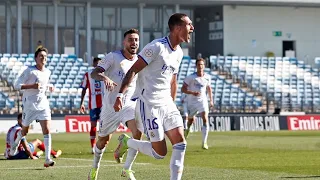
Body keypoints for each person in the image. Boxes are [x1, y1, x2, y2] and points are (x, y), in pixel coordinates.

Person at [113, 13, 194, 180]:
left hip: (167, 104)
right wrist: (120, 94)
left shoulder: (178, 52)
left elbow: (173, 80)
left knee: (180, 144)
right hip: (149, 104)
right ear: (178, 28)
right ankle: (128, 142)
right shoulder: (156, 47)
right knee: (160, 153)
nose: (192, 28)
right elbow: (133, 70)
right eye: (189, 25)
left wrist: (172, 102)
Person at [88, 28, 143, 180]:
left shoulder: (140, 61)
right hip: (110, 107)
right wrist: (105, 78)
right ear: (124, 42)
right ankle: (94, 168)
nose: (134, 43)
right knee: (102, 141)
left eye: (136, 40)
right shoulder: (113, 57)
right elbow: (94, 73)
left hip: (128, 104)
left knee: (138, 132)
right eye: (131, 40)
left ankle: (127, 168)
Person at [12, 47, 56, 167]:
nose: (43, 58)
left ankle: (47, 159)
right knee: (24, 131)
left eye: (45, 56)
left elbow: (43, 85)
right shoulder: (29, 71)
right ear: (36, 58)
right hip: (29, 106)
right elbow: (16, 85)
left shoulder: (47, 72)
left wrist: (49, 87)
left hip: (43, 105)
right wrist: (32, 85)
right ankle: (16, 143)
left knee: (47, 130)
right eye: (41, 56)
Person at [182, 58, 213, 149]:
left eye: (202, 65)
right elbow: (183, 89)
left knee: (205, 118)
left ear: (204, 66)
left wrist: (211, 100)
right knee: (190, 121)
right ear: (196, 66)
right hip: (192, 102)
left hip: (202, 101)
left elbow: (209, 89)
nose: (200, 66)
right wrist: (192, 93)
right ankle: (187, 129)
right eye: (199, 65)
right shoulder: (190, 77)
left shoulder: (207, 77)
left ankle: (204, 142)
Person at [80, 57, 104, 153]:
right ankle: (93, 147)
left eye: (100, 64)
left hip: (104, 105)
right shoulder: (88, 74)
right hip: (93, 104)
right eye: (97, 64)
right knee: (93, 126)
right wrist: (81, 103)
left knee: (103, 127)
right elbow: (84, 89)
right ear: (94, 64)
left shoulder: (105, 73)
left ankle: (101, 145)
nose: (98, 66)